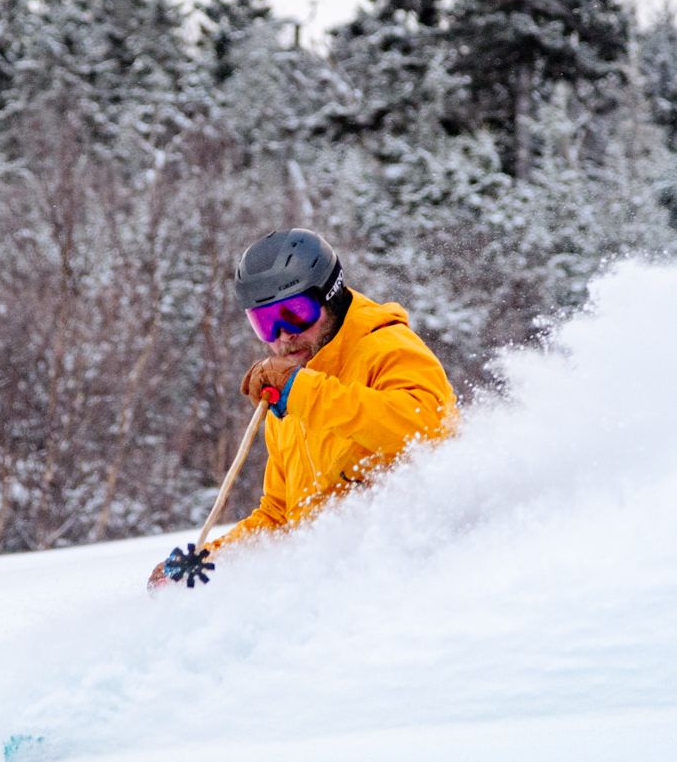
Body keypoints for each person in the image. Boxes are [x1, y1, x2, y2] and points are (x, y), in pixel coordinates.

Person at [150, 229, 456, 587]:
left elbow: (429, 428)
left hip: (411, 572)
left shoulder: (384, 348)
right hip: (334, 585)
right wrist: (211, 561)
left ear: (332, 296)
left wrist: (301, 391)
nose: (282, 336)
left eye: (295, 314)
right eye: (265, 323)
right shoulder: (290, 395)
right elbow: (280, 517)